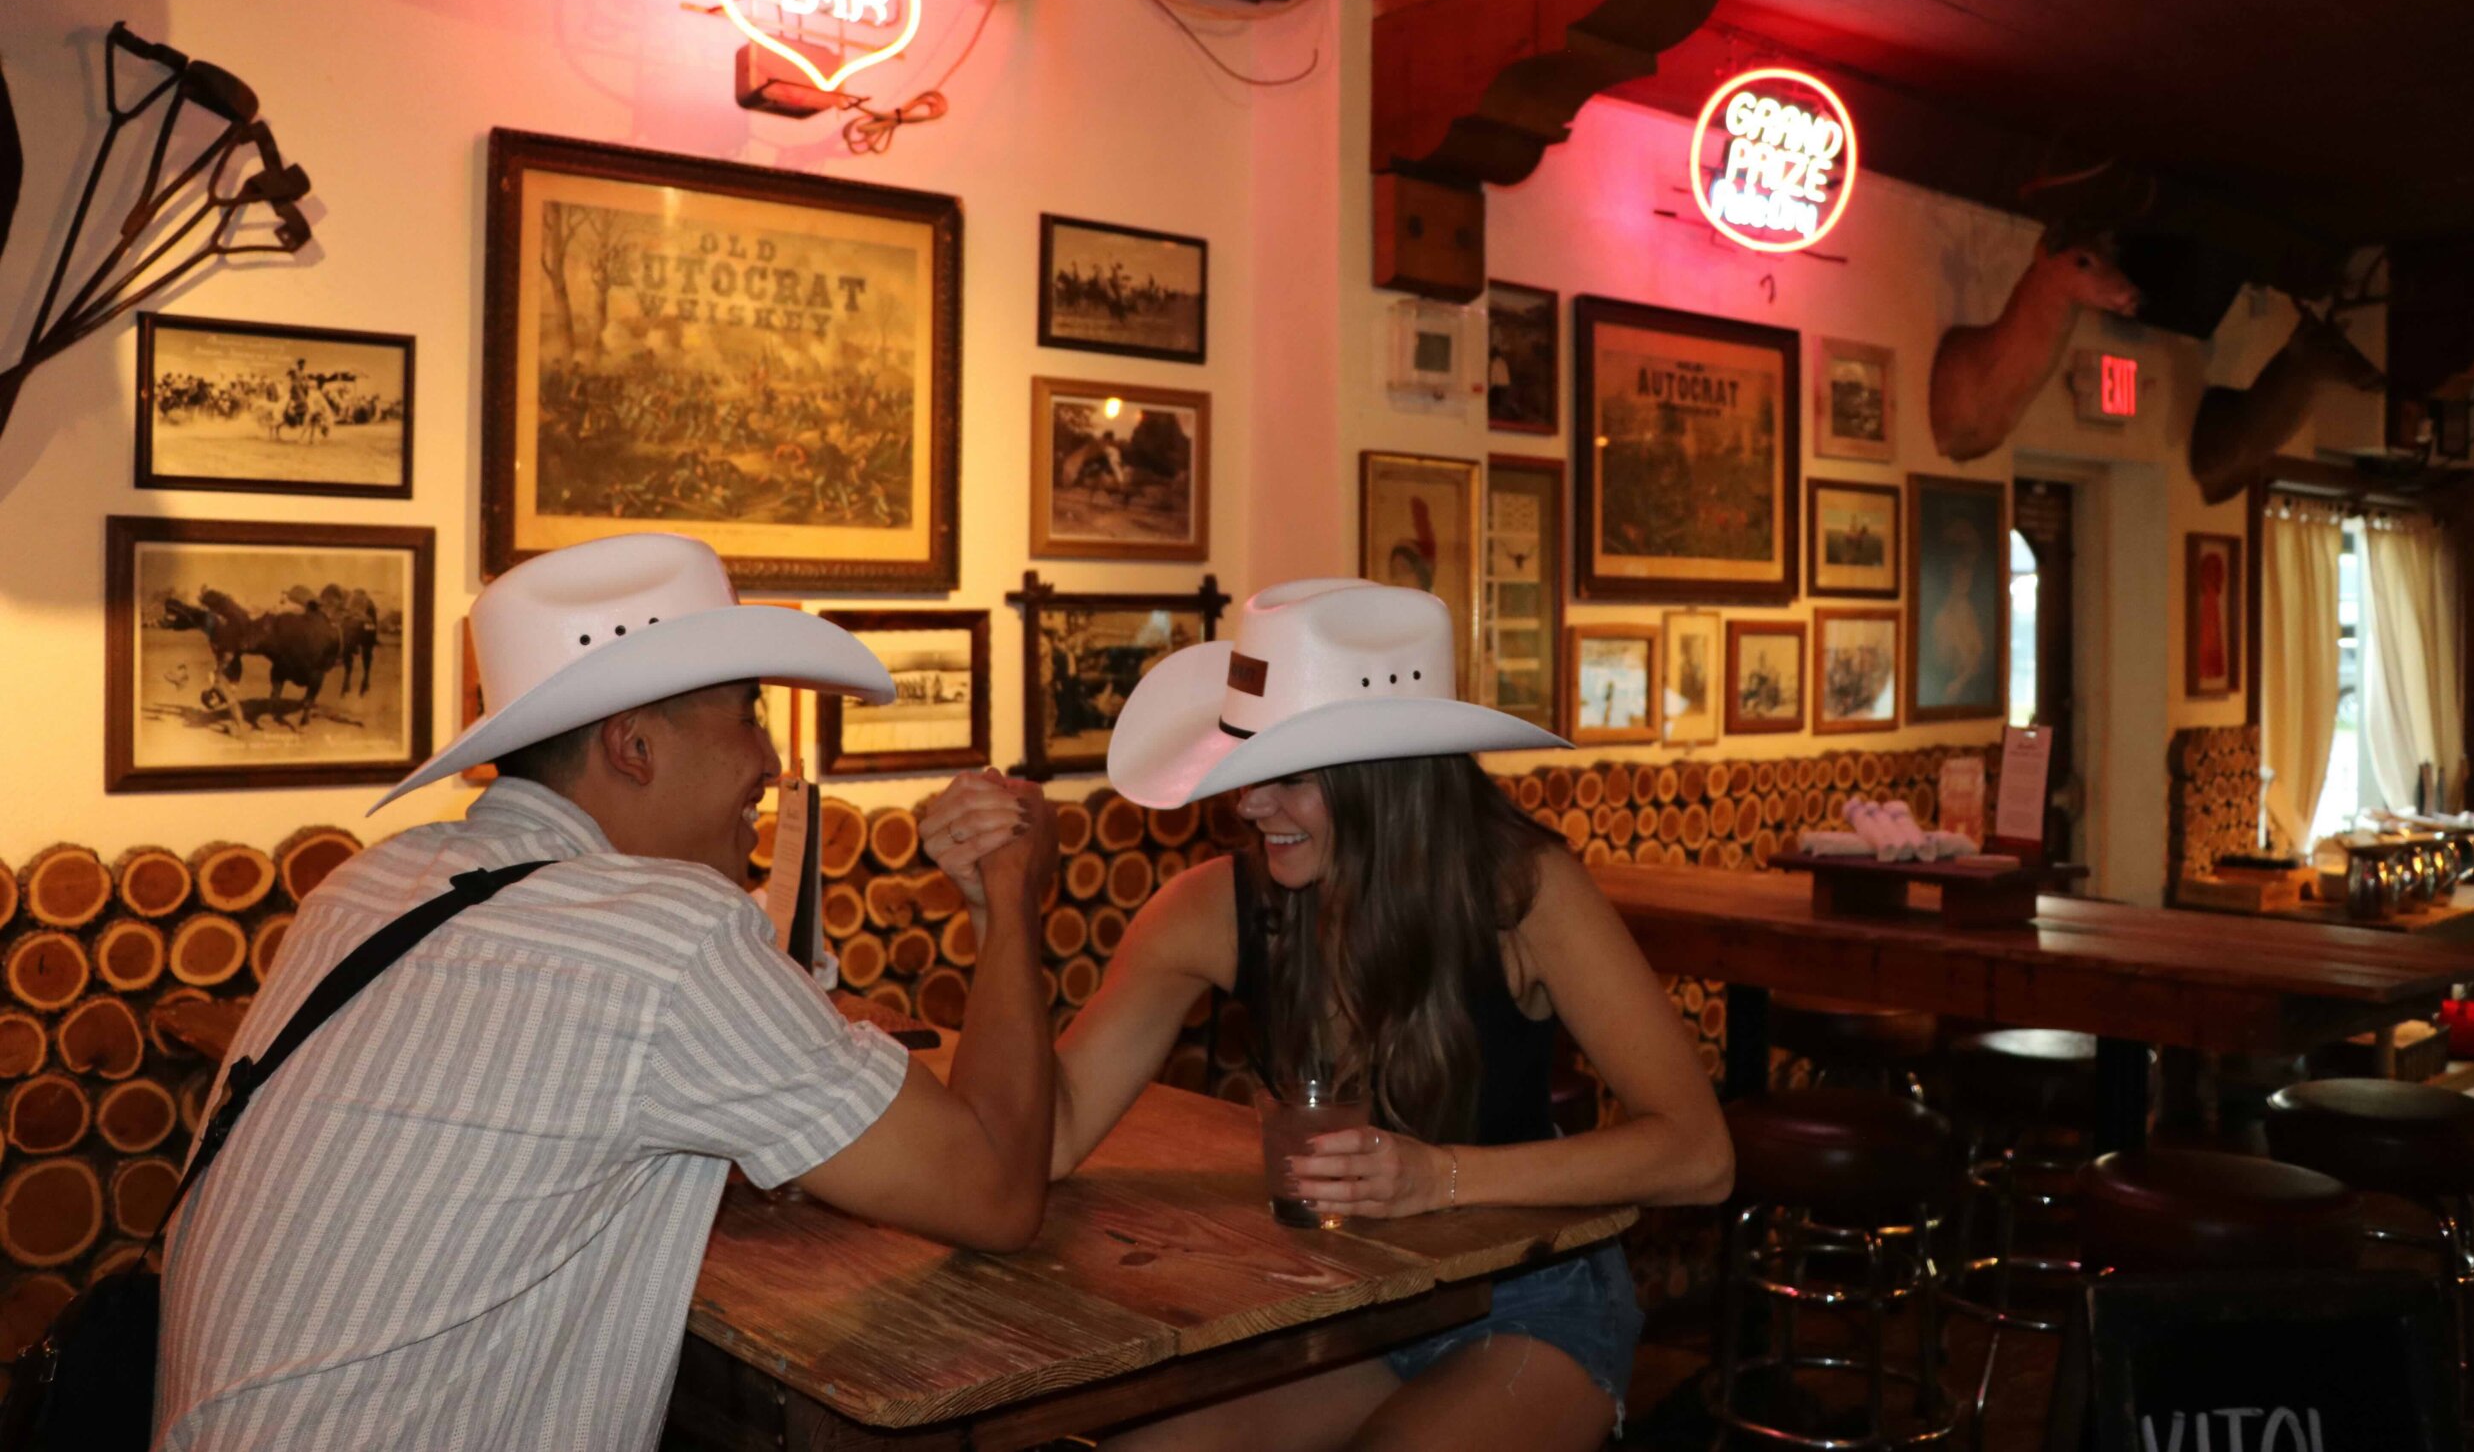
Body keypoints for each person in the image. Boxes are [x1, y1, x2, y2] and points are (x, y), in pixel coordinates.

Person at [157, 532, 1058, 1450]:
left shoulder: (367, 884)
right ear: (632, 745)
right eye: (747, 714)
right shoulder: (668, 934)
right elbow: (995, 1191)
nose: (769, 759)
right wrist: (1012, 891)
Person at [922, 578, 1733, 1451]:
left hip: (1531, 1297)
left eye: (1288, 778)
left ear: (1386, 780)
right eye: (1243, 767)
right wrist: (997, 910)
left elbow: (1699, 1153)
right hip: (1351, 1308)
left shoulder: (1521, 890)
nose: (1249, 804)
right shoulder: (1211, 909)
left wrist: (1440, 1177)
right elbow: (1041, 1142)